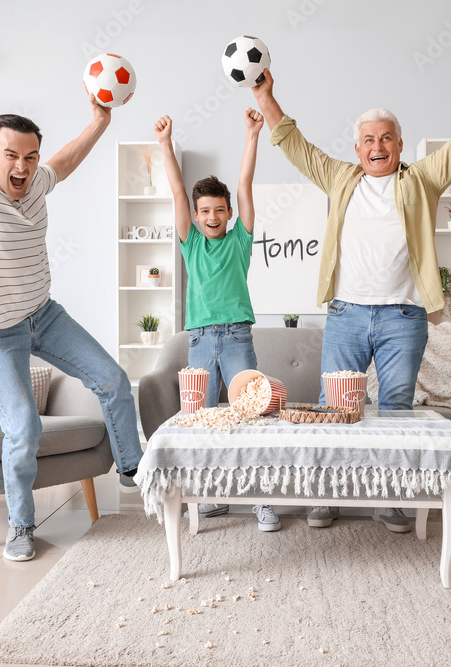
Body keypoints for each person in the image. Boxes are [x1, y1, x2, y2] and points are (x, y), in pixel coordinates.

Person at [250, 26, 451, 533]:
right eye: (368, 139)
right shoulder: (341, 178)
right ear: (358, 147)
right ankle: (327, 495)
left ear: (400, 144)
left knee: (394, 415)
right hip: (346, 315)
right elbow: (295, 145)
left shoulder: (422, 179)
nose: (377, 145)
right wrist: (265, 95)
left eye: (386, 137)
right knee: (335, 413)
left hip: (403, 319)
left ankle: (390, 499)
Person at [0, 33, 143, 561]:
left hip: (42, 314)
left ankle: (135, 470)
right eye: (10, 156)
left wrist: (100, 122)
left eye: (30, 156)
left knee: (112, 379)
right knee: (22, 425)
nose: (22, 167)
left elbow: (63, 163)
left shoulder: (38, 182)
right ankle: (21, 526)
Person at [153, 109, 280, 533]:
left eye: (218, 210)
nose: (211, 217)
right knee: (203, 421)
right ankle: (208, 495)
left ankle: (263, 501)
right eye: (204, 210)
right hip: (201, 342)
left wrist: (251, 134)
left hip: (237, 337)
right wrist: (165, 146)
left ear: (229, 214)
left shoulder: (240, 239)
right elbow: (175, 191)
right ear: (196, 214)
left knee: (252, 416)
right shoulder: (190, 244)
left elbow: (244, 184)